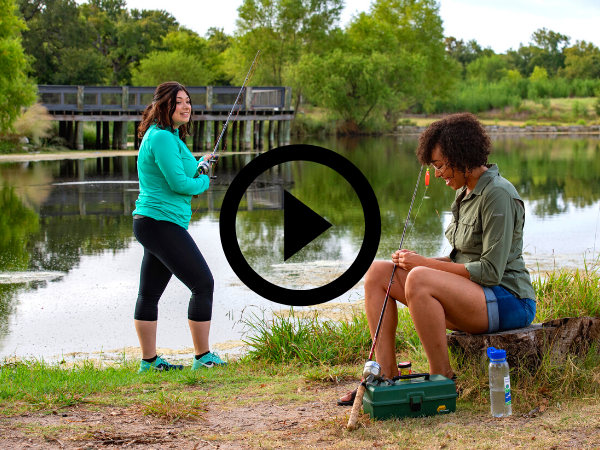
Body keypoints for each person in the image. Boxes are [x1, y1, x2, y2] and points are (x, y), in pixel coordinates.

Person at [338, 112, 536, 405]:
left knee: (419, 277)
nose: (439, 173)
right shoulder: (464, 193)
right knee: (380, 272)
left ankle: (442, 380)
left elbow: (491, 271)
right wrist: (416, 260)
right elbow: (459, 259)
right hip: (475, 295)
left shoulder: (498, 194)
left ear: (462, 157)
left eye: (441, 166)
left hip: (508, 299)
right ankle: (386, 376)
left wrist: (423, 266)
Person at [132, 81, 225, 373]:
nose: (186, 106)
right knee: (203, 284)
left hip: (155, 223)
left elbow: (183, 171)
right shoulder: (160, 138)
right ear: (163, 106)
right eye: (179, 101)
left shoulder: (169, 137)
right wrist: (204, 180)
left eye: (188, 101)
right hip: (160, 223)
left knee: (148, 295)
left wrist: (201, 163)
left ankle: (149, 363)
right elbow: (181, 184)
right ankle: (203, 357)